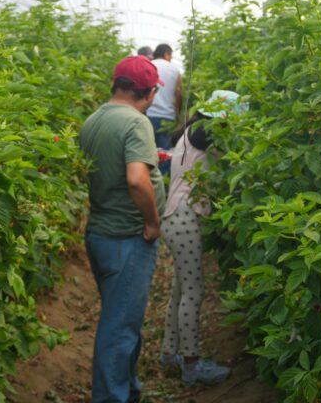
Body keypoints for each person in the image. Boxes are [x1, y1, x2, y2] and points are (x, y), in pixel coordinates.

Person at [79, 55, 167, 403]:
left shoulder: (94, 119)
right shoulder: (135, 122)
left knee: (121, 320)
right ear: (147, 93)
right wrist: (152, 221)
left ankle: (127, 391)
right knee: (118, 331)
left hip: (101, 233)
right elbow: (135, 179)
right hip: (127, 239)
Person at [159, 90, 247, 386]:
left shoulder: (191, 132)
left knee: (179, 291)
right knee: (194, 293)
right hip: (186, 217)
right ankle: (192, 365)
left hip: (175, 218)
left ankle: (169, 354)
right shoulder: (203, 132)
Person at [146, 44, 182, 175]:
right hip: (167, 117)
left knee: (145, 153)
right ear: (166, 54)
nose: (171, 59)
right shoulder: (174, 69)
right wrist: (178, 113)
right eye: (171, 56)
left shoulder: (148, 65)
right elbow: (179, 93)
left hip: (147, 115)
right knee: (165, 155)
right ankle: (164, 188)